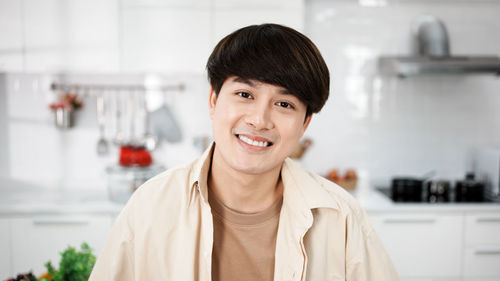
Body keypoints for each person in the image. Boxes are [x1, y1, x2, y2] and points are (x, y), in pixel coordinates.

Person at [89, 23, 399, 281]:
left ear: (305, 123)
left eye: (284, 104)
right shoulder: (151, 205)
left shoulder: (340, 217)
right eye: (244, 94)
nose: (259, 120)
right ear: (213, 100)